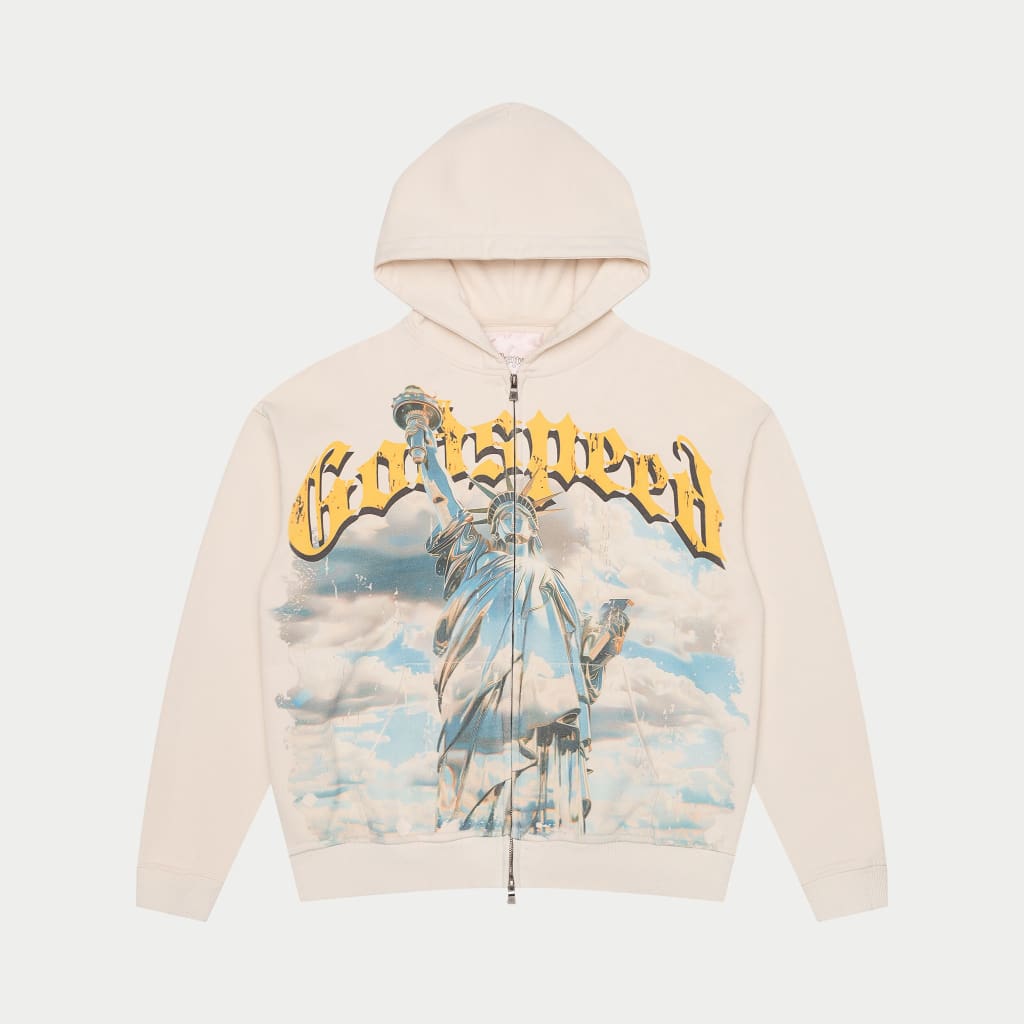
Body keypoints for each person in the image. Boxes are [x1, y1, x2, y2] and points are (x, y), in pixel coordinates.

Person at [400, 395, 632, 838]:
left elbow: (581, 654)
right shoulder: (477, 559)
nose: (510, 521)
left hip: (548, 703)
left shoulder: (553, 580)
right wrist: (423, 444)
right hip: (482, 692)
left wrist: (606, 635)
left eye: (519, 515)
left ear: (533, 526)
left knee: (543, 790)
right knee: (475, 779)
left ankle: (546, 834)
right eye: (501, 516)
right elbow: (444, 500)